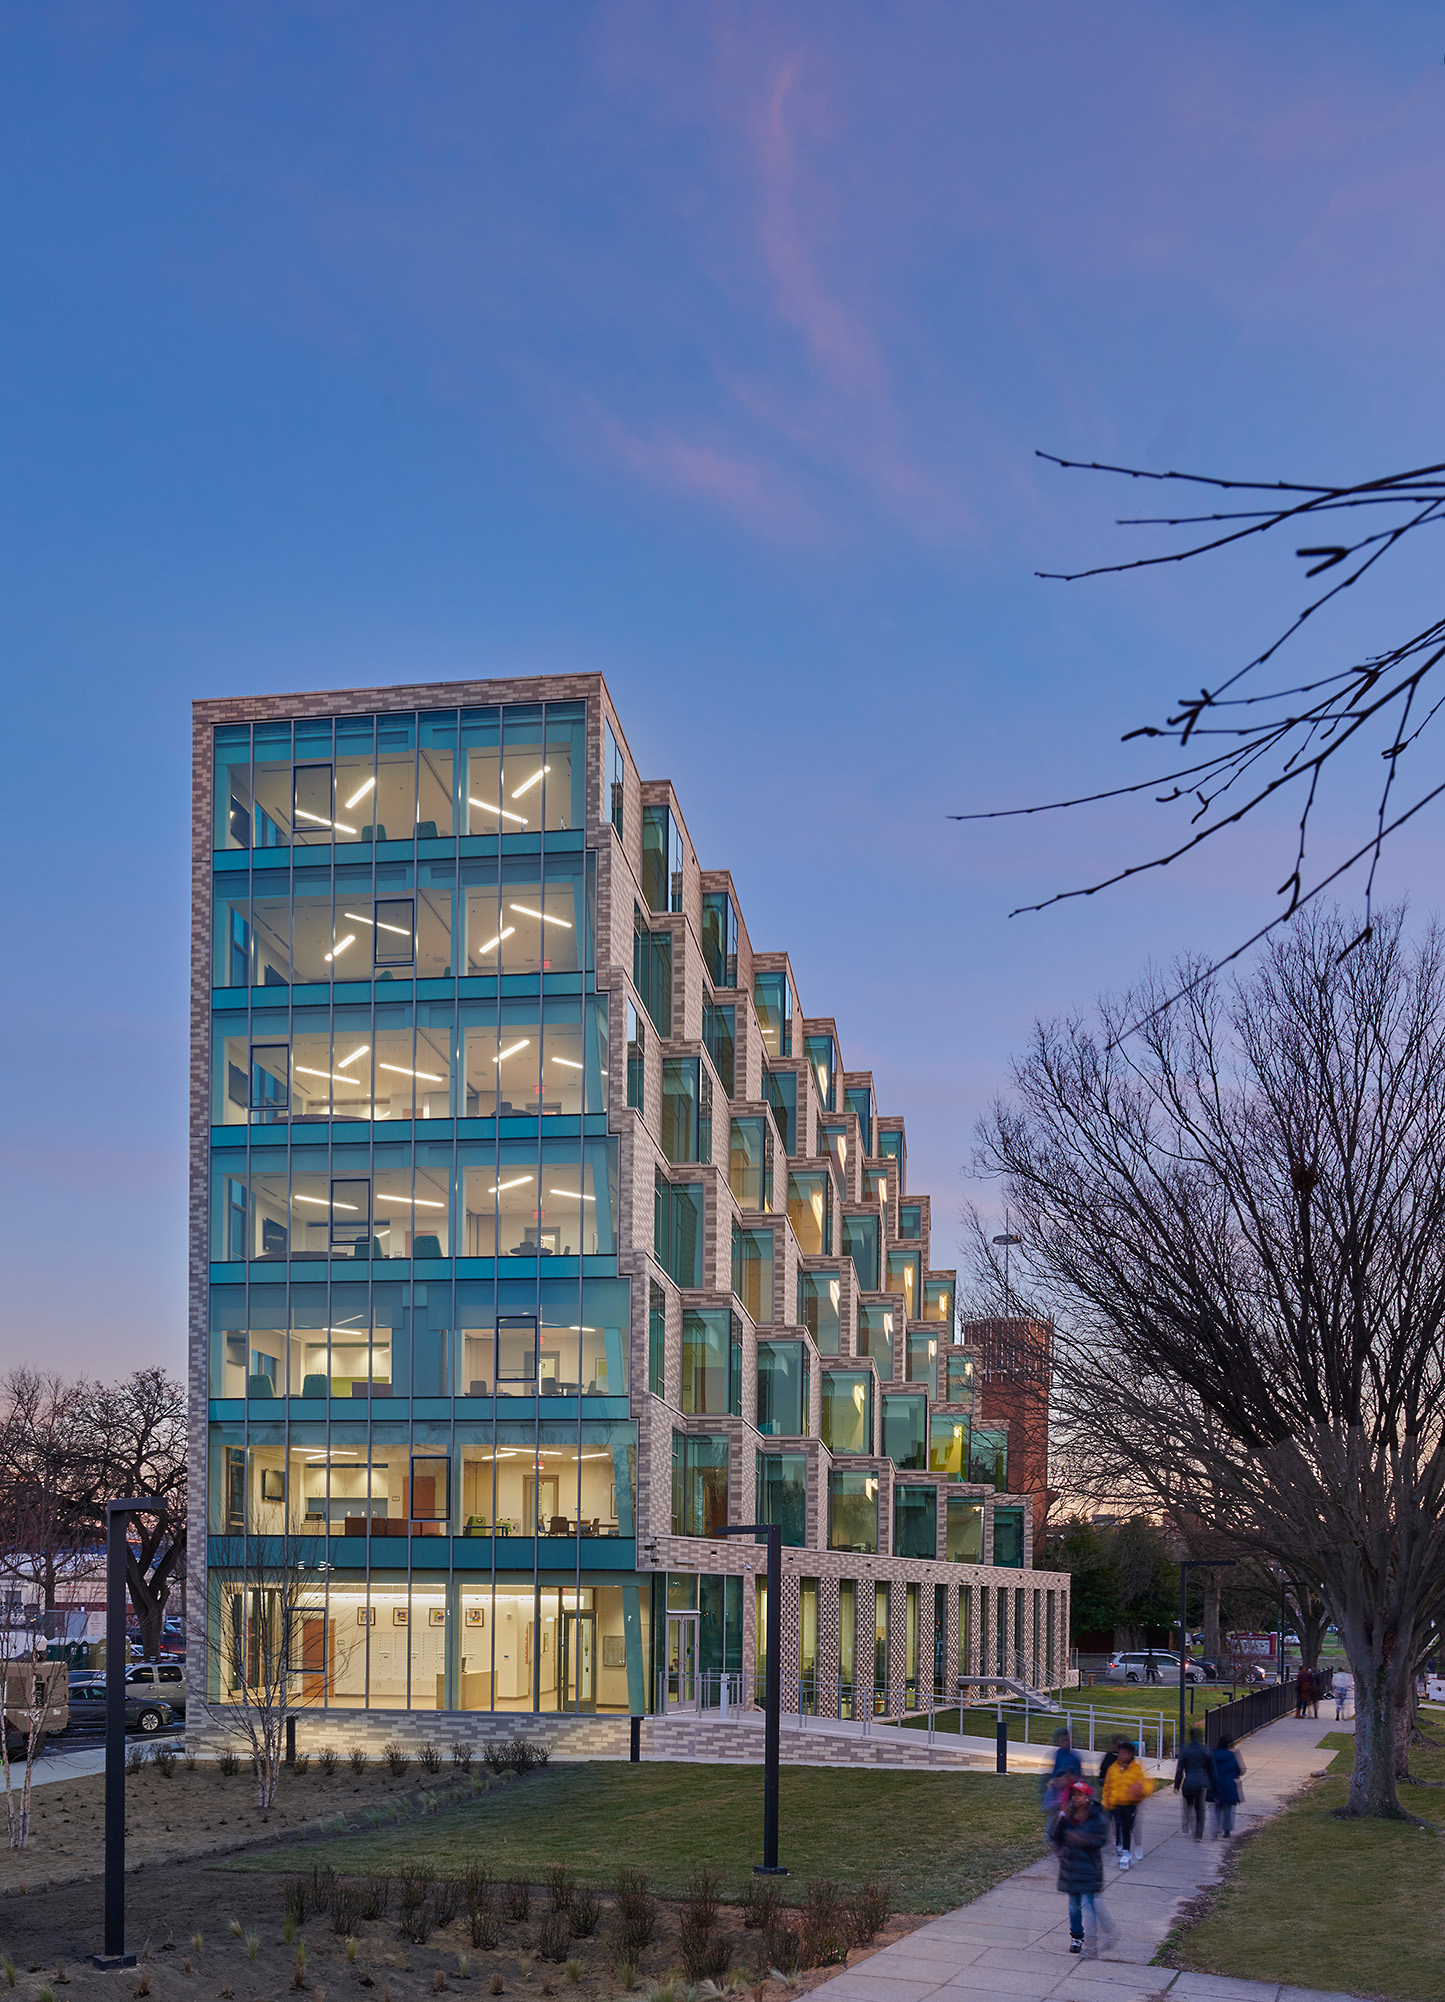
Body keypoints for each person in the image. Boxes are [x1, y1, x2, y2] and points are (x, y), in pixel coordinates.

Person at [1052, 1780, 1115, 1958]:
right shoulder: (1068, 1815)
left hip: (1089, 1867)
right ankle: (1077, 1937)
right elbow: (1056, 1837)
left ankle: (1094, 1941)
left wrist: (1082, 1839)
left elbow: (1101, 1840)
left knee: (1089, 1904)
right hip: (1071, 1867)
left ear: (1087, 1797)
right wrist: (1060, 1821)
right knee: (1074, 1906)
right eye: (1074, 1795)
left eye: (1080, 1795)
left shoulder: (1097, 1816)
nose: (1076, 1798)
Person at [1101, 1739, 1152, 1868]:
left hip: (1130, 1804)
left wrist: (1141, 1791)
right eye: (1119, 1753)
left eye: (1124, 1753)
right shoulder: (1113, 1768)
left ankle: (1126, 1852)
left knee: (1126, 1827)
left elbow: (1145, 1785)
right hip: (1116, 1802)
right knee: (1117, 1825)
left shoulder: (1136, 1769)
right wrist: (1105, 1802)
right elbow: (1107, 1786)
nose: (1121, 1756)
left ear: (1130, 1755)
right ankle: (1119, 1845)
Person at [1173, 1726, 1212, 1840]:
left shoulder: (1186, 1751)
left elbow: (1180, 1769)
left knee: (1187, 1806)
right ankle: (1198, 1834)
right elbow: (1211, 1770)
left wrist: (1177, 1784)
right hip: (1200, 1783)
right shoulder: (1205, 1751)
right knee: (1199, 1808)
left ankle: (1187, 1827)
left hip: (1188, 1782)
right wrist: (1211, 1783)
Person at [1042, 1727, 1083, 1830]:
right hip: (1057, 1788)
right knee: (1055, 1813)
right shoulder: (1057, 1754)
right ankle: (1052, 1833)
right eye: (1062, 1740)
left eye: (1067, 1740)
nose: (1065, 1743)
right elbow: (1054, 1771)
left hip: (1070, 1789)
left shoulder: (1074, 1757)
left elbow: (1079, 1775)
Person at [1210, 1734, 1245, 1837]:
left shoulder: (1212, 1754)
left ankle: (1217, 1827)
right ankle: (1227, 1829)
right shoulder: (1232, 1755)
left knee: (1217, 1806)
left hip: (1215, 1783)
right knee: (1228, 1807)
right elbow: (1238, 1770)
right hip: (1229, 1783)